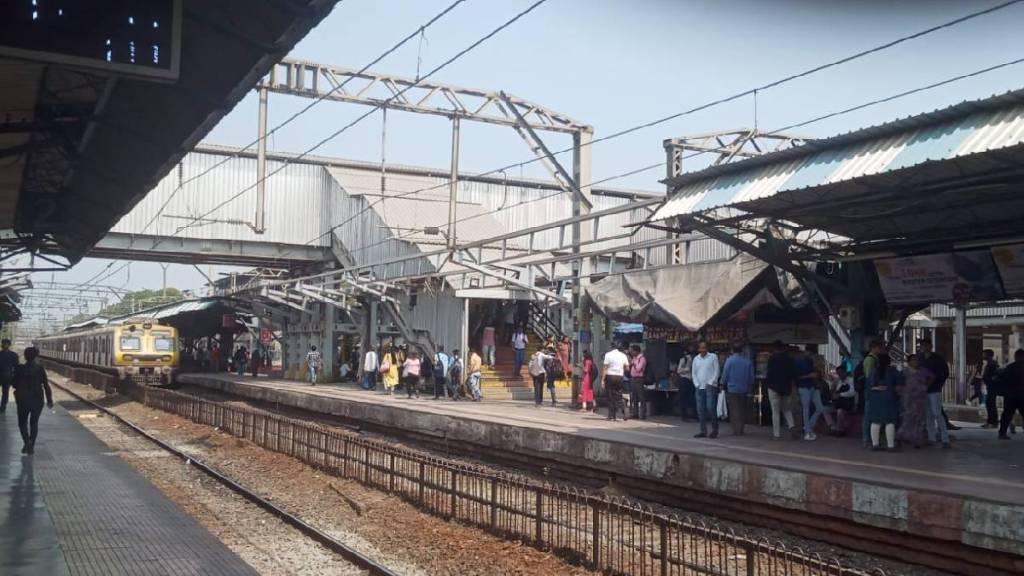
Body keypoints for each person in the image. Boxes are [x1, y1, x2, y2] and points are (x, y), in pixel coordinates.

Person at [13, 347, 53, 455]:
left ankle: (27, 443)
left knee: (22, 423)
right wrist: (49, 400)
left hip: (22, 399)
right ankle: (31, 445)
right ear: (36, 356)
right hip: (37, 399)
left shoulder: (19, 368)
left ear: (25, 356)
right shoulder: (40, 368)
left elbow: (14, 384)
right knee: (34, 423)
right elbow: (46, 385)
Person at [795, 344, 835, 441]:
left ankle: (807, 428)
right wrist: (810, 376)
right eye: (811, 354)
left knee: (820, 408)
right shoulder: (799, 363)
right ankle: (808, 430)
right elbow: (797, 377)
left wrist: (815, 375)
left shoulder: (810, 361)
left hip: (813, 386)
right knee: (806, 408)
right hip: (804, 387)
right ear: (806, 352)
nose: (812, 355)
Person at [919, 340, 951, 448]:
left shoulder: (938, 359)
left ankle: (945, 438)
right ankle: (931, 438)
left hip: (935, 390)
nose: (924, 347)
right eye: (922, 345)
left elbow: (946, 373)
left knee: (937, 413)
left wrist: (939, 383)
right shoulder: (919, 358)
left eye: (926, 345)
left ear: (931, 346)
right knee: (928, 414)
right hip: (923, 390)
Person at [865, 354, 901, 451]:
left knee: (875, 421)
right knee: (890, 421)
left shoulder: (873, 371)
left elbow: (869, 385)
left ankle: (875, 444)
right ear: (889, 362)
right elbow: (900, 384)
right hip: (889, 398)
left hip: (875, 398)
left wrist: (876, 388)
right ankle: (890, 445)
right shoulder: (893, 371)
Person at [720, 342, 754, 436]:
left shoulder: (729, 361)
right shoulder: (747, 361)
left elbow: (725, 374)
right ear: (742, 351)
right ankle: (741, 429)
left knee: (734, 409)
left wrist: (722, 383)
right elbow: (751, 377)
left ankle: (736, 429)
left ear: (732, 350)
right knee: (742, 409)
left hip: (732, 389)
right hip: (743, 388)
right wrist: (750, 386)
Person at [765, 341, 798, 440]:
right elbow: (793, 374)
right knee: (787, 409)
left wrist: (768, 384)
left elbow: (769, 373)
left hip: (773, 388)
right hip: (786, 388)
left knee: (775, 412)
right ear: (784, 348)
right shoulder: (789, 359)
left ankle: (777, 435)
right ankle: (792, 427)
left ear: (774, 348)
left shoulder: (772, 359)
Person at [898, 354, 931, 449]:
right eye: (913, 360)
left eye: (917, 360)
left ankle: (918, 440)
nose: (916, 362)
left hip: (920, 399)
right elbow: (899, 384)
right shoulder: (904, 372)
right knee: (907, 418)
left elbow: (932, 377)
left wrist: (926, 386)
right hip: (908, 399)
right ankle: (900, 437)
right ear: (909, 362)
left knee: (920, 419)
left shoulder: (923, 371)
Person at [691, 341, 720, 438]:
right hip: (700, 387)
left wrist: (711, 383)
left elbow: (717, 371)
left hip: (710, 387)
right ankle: (703, 430)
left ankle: (714, 430)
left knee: (711, 408)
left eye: (704, 348)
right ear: (698, 349)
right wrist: (697, 384)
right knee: (700, 410)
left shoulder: (713, 357)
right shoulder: (696, 359)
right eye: (701, 348)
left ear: (707, 348)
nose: (703, 350)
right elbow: (693, 373)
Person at [997, 349, 1024, 440]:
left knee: (1007, 415)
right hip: (1021, 395)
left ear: (1016, 356)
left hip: (1010, 395)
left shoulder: (1009, 367)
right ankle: (1002, 433)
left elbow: (999, 378)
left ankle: (1002, 433)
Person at [602, 343, 629, 421]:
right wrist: (620, 370)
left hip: (610, 376)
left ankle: (611, 415)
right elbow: (627, 368)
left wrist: (603, 380)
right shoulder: (623, 355)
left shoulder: (608, 355)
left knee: (610, 396)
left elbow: (605, 368)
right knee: (618, 394)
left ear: (611, 347)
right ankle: (623, 407)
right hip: (619, 377)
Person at [831, 366, 857, 434]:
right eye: (838, 373)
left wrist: (840, 395)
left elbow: (852, 392)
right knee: (824, 409)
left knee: (840, 412)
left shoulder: (851, 380)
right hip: (839, 403)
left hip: (848, 403)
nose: (840, 375)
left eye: (841, 373)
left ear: (845, 372)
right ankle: (833, 427)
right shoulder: (839, 382)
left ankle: (840, 430)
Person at [980, 349, 1001, 428]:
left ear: (988, 355)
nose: (983, 356)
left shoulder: (993, 364)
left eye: (984, 354)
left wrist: (991, 380)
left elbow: (997, 374)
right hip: (990, 386)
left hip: (992, 387)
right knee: (989, 404)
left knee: (991, 404)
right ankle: (991, 422)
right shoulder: (990, 363)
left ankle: (993, 422)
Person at [628, 345, 649, 420]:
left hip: (639, 379)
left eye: (632, 351)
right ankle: (635, 413)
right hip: (633, 378)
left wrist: (634, 364)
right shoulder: (634, 358)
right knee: (634, 397)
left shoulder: (642, 359)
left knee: (641, 396)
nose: (631, 352)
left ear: (636, 351)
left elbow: (639, 369)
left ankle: (643, 413)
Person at [675, 348, 695, 420]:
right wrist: (687, 369)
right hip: (684, 380)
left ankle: (693, 414)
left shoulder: (695, 359)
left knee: (691, 398)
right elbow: (679, 370)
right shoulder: (683, 359)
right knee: (683, 398)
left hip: (691, 380)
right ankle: (684, 415)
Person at [0, 338, 18, 413]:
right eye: (4, 343)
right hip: (8, 376)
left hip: (5, 375)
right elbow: (16, 367)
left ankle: (3, 406)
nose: (4, 345)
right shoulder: (14, 355)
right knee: (5, 391)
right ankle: (3, 406)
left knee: (5, 391)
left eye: (5, 343)